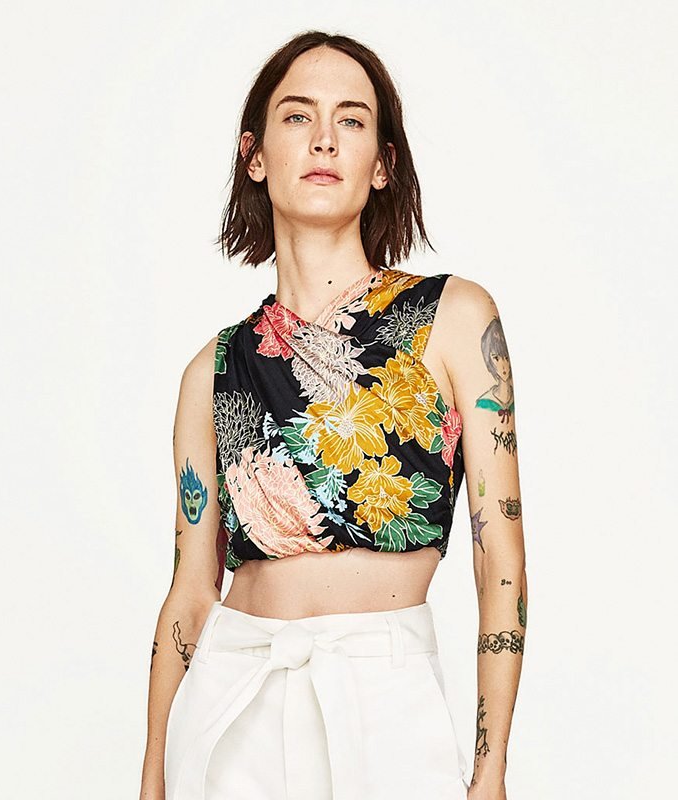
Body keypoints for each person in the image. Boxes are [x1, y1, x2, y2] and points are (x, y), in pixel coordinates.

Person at [139, 30, 527, 800]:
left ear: (382, 163)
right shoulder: (211, 372)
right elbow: (190, 590)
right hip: (232, 696)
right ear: (255, 155)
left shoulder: (452, 319)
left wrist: (491, 773)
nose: (324, 138)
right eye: (297, 116)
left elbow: (500, 559)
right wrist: (152, 777)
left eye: (352, 119)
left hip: (386, 697)